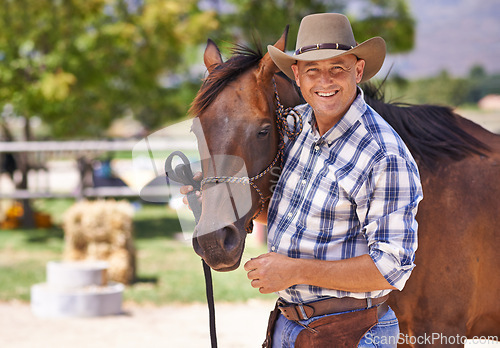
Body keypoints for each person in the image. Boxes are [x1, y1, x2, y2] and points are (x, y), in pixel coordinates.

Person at [184, 13, 422, 347]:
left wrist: (295, 271)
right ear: (296, 75)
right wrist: (215, 196)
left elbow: (391, 267)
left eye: (337, 67)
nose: (325, 80)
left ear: (358, 70)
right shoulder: (299, 127)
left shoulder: (383, 155)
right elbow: (291, 213)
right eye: (312, 69)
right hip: (292, 325)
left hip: (351, 332)